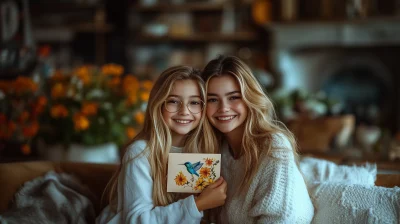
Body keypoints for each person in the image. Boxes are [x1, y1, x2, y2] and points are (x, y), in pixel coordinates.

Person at [97, 66, 227, 224]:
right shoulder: (140, 152)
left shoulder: (207, 150)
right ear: (158, 105)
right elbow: (137, 220)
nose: (184, 111)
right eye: (173, 101)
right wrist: (198, 204)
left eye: (194, 102)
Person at [202, 56, 314, 224]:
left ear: (249, 98)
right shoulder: (217, 150)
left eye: (234, 97)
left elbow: (281, 219)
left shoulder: (273, 146)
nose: (223, 108)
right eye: (212, 99)